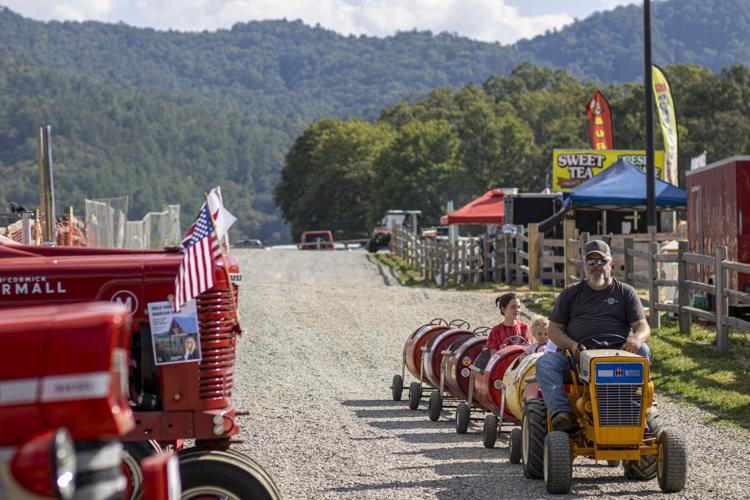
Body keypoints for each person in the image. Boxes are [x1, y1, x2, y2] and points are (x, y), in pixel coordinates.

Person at [536, 239, 651, 432]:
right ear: (584, 265)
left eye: (601, 261)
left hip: (618, 354)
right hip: (579, 356)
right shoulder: (571, 293)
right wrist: (572, 346)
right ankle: (562, 413)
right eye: (591, 262)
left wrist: (636, 338)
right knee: (545, 364)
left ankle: (636, 410)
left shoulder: (626, 293)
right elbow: (554, 329)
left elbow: (642, 326)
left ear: (611, 264)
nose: (596, 266)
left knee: (643, 350)